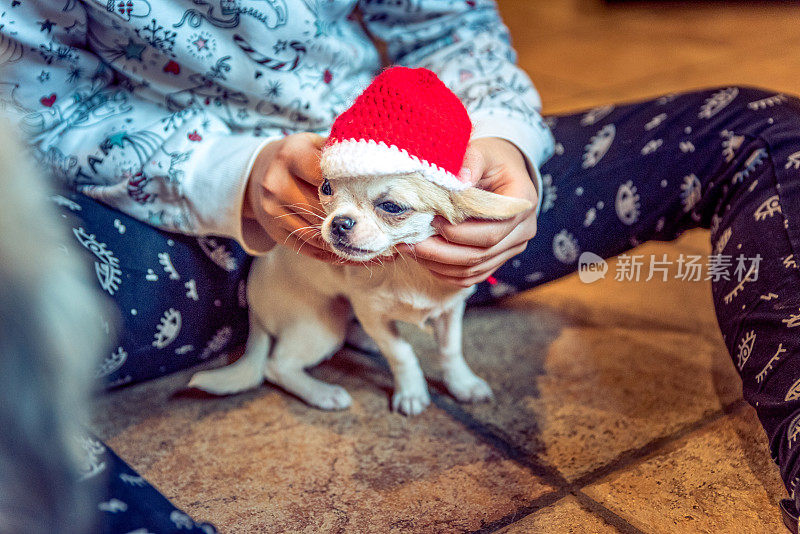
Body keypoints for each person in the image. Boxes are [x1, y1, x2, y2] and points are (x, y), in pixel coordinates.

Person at [1, 1, 799, 532]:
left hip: (420, 191)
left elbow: (451, 27)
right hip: (147, 233)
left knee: (762, 128)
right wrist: (230, 173)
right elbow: (36, 103)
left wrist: (498, 147)